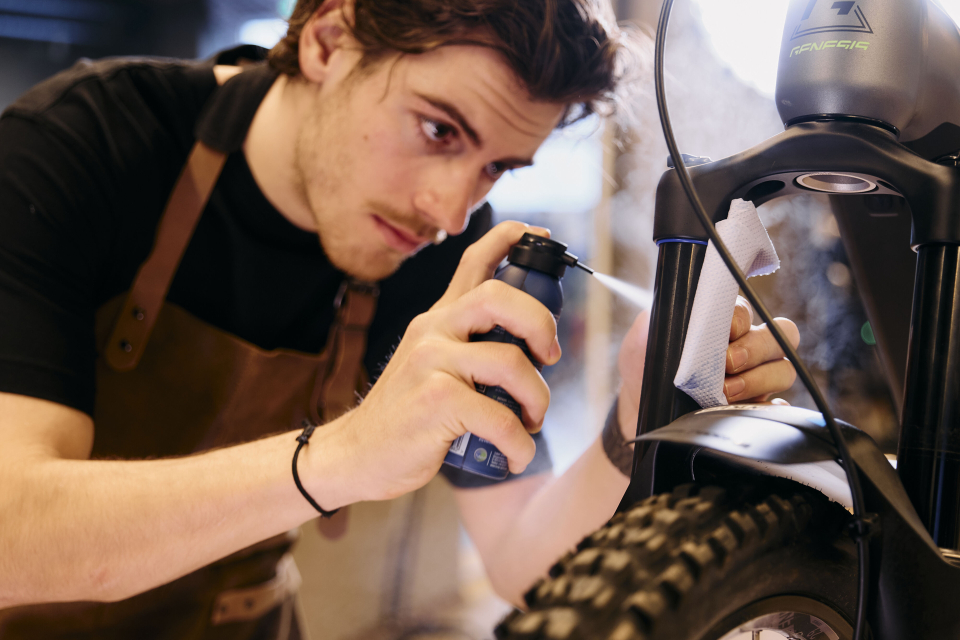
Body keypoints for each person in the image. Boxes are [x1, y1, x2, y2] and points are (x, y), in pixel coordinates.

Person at [0, 0, 800, 637]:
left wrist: (631, 420)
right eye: (437, 129)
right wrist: (342, 456)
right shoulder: (76, 148)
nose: (449, 212)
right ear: (326, 39)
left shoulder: (427, 256)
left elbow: (523, 559)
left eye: (493, 165)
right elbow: (14, 539)